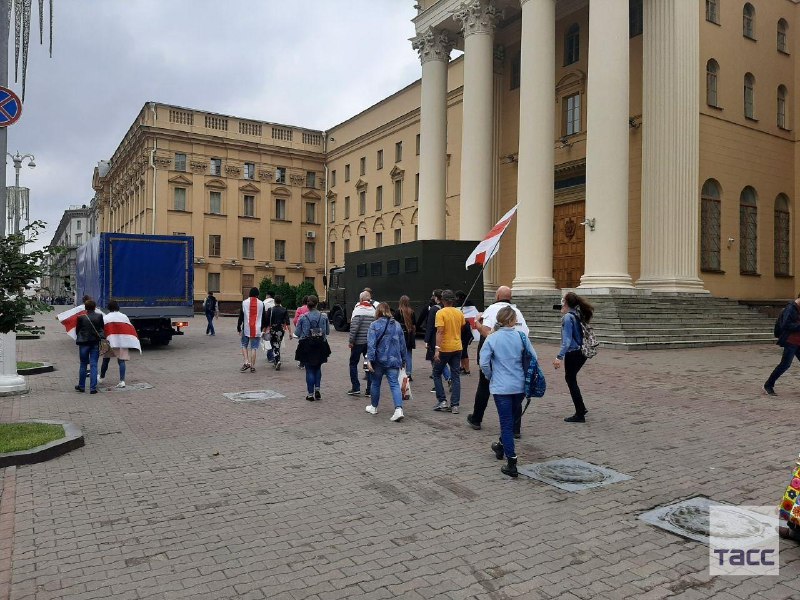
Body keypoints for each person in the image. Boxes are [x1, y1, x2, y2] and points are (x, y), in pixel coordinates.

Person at [480, 306, 535, 478]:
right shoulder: (521, 336)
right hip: (519, 385)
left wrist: (490, 376)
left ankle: (511, 461)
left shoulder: (492, 338)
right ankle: (501, 447)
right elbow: (534, 357)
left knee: (506, 422)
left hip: (501, 387)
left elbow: (483, 363)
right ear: (512, 321)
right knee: (511, 419)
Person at [467, 286, 529, 434]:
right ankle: (515, 428)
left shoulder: (491, 309)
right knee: (515, 389)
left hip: (495, 356)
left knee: (484, 386)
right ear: (510, 297)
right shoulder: (517, 312)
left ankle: (477, 418)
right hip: (514, 356)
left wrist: (477, 323)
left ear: (497, 296)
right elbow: (526, 334)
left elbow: (488, 333)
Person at [553, 291, 594, 422]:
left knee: (571, 381)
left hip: (573, 353)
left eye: (563, 301)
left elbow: (567, 341)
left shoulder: (567, 318)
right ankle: (581, 408)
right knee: (571, 379)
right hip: (581, 352)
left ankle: (580, 413)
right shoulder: (577, 314)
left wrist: (559, 357)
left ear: (566, 303)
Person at [365, 302, 408, 422]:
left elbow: (371, 345)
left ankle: (374, 407)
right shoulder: (397, 325)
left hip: (379, 360)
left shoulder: (374, 325)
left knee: (375, 383)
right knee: (394, 384)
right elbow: (402, 344)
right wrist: (403, 359)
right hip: (394, 360)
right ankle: (398, 409)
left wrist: (369, 360)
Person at [432, 290, 465, 413]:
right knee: (455, 376)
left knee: (436, 373)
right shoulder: (459, 312)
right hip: (457, 347)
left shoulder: (440, 313)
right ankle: (455, 404)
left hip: (445, 348)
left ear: (443, 300)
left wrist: (437, 349)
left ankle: (442, 401)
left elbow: (440, 331)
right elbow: (461, 326)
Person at [294, 295, 330, 401]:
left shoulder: (303, 317)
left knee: (309, 369)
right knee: (318, 367)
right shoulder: (323, 316)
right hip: (320, 344)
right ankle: (317, 389)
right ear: (317, 304)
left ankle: (310, 394)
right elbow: (327, 332)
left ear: (307, 305)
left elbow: (297, 332)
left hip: (306, 345)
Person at [764, 292, 800, 395]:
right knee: (785, 365)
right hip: (791, 341)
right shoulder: (791, 308)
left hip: (799, 341)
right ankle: (768, 385)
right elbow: (786, 325)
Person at [99, 300, 139, 388]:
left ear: (108, 308)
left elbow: (102, 330)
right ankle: (122, 381)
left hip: (109, 341)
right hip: (122, 341)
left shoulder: (106, 317)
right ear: (118, 307)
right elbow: (129, 327)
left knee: (106, 360)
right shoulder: (124, 316)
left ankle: (101, 378)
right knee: (121, 361)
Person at [347, 291, 375, 396]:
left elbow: (354, 328)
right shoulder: (373, 310)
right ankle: (369, 390)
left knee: (353, 363)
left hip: (358, 343)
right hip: (369, 343)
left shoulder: (358, 310)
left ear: (360, 299)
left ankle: (356, 387)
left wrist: (351, 341)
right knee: (368, 364)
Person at [74, 299, 105, 394]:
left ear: (85, 308)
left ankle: (82, 386)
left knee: (83, 364)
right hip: (94, 343)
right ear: (95, 307)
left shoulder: (81, 317)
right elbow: (102, 328)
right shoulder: (99, 316)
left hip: (83, 343)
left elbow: (77, 330)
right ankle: (92, 388)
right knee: (94, 364)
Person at [424, 289, 451, 391]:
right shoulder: (447, 308)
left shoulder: (434, 309)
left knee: (436, 362)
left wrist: (426, 340)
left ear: (436, 297)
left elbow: (430, 326)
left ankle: (438, 385)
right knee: (442, 361)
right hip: (446, 337)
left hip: (435, 339)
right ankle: (449, 378)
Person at [237, 287, 267, 373]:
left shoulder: (244, 303)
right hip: (257, 328)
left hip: (246, 327)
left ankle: (246, 362)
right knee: (254, 348)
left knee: (244, 345)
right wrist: (264, 328)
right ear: (257, 294)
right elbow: (264, 317)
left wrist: (238, 327)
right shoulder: (261, 303)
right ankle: (252, 366)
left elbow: (241, 316)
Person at [393, 295, 416, 381]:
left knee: (399, 355)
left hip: (400, 336)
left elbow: (394, 325)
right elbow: (414, 325)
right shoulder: (412, 312)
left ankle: (400, 372)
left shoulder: (398, 312)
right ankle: (409, 374)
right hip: (409, 336)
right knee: (409, 356)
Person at [265, 295, 290, 370]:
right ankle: (276, 361)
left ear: (274, 301)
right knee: (278, 344)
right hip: (281, 330)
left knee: (273, 345)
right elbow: (287, 321)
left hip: (273, 329)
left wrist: (264, 330)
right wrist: (290, 332)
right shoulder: (284, 309)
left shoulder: (271, 310)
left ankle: (277, 360)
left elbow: (266, 321)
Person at [455, 290, 475, 375]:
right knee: (461, 351)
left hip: (465, 333)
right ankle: (462, 367)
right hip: (461, 332)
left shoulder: (459, 305)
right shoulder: (461, 304)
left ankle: (467, 369)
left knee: (464, 351)